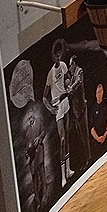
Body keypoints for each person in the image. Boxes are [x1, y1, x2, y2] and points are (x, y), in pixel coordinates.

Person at [43, 39, 73, 188]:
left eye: (60, 54)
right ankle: (62, 177)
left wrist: (68, 85)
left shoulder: (63, 65)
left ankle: (68, 170)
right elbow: (44, 97)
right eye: (56, 55)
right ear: (53, 56)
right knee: (61, 139)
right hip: (58, 106)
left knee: (66, 136)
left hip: (65, 101)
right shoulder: (50, 74)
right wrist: (50, 108)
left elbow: (68, 79)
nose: (58, 57)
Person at [66, 55, 90, 174]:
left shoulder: (79, 71)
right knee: (80, 137)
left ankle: (88, 159)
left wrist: (71, 89)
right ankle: (85, 160)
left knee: (84, 135)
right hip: (75, 110)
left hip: (81, 108)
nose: (69, 68)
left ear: (74, 64)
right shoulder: (71, 77)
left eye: (70, 66)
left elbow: (78, 82)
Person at [89, 82, 107, 154]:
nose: (99, 94)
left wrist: (106, 132)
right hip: (97, 139)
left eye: (100, 92)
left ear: (102, 92)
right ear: (96, 94)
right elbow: (92, 128)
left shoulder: (106, 103)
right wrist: (98, 138)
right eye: (98, 92)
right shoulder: (93, 109)